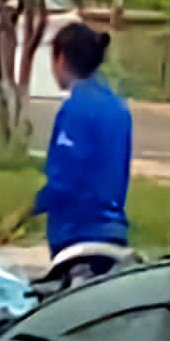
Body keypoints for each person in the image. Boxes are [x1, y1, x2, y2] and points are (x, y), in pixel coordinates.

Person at [32, 23, 132, 257]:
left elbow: (65, 181)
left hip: (77, 234)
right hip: (113, 231)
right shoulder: (118, 107)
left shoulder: (75, 109)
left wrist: (24, 212)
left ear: (61, 58)